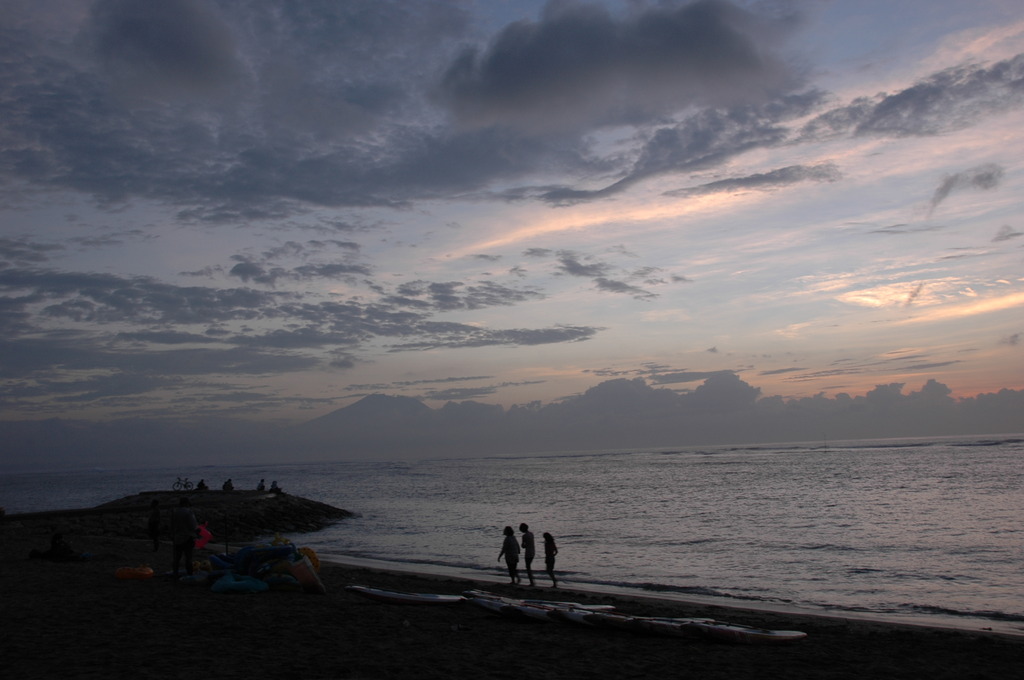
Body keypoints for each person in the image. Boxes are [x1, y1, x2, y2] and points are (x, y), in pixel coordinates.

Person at [170, 497, 199, 578]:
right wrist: (197, 531)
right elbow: (193, 526)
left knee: (177, 557)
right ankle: (189, 573)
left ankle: (175, 573)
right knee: (188, 557)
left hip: (177, 537)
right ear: (186, 503)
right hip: (188, 537)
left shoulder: (175, 512)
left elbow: (172, 526)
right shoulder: (189, 512)